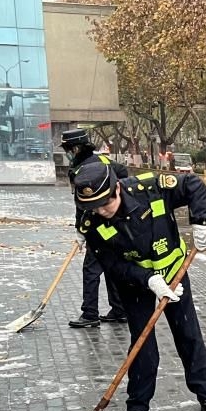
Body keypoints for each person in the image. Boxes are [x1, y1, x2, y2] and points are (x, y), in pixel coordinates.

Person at [72, 158, 206, 411]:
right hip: (135, 284)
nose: (101, 211)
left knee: (188, 334)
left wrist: (200, 223)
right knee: (142, 342)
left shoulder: (150, 187)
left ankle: (205, 393)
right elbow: (113, 265)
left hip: (174, 274)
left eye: (105, 203)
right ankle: (137, 406)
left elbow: (194, 185)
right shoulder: (91, 222)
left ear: (117, 189)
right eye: (94, 207)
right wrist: (148, 279)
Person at [61, 128, 128, 329]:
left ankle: (90, 313)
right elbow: (123, 173)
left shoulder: (81, 171)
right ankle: (119, 310)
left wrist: (80, 230)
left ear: (76, 148)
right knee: (111, 266)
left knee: (91, 269)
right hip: (117, 224)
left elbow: (82, 204)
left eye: (68, 150)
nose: (68, 154)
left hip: (98, 227)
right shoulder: (105, 161)